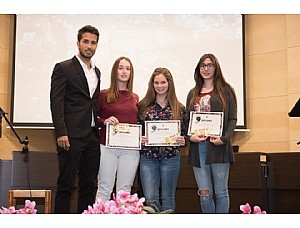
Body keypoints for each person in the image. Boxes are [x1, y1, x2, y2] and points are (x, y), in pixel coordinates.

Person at [50, 25, 101, 213]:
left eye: (93, 42)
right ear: (78, 43)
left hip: (92, 137)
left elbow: (92, 102)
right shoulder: (63, 68)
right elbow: (56, 102)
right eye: (85, 41)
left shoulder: (97, 72)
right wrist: (61, 132)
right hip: (70, 136)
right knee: (66, 184)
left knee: (88, 186)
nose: (89, 46)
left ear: (97, 45)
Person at [186, 53, 237, 213]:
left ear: (216, 68)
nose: (206, 68)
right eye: (203, 65)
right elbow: (187, 121)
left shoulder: (226, 91)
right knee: (205, 194)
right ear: (198, 68)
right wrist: (190, 137)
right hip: (198, 148)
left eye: (210, 65)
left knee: (221, 192)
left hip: (218, 147)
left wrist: (224, 138)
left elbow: (232, 118)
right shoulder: (192, 93)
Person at [138, 67, 187, 213]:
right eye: (156, 83)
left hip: (171, 157)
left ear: (169, 83)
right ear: (152, 84)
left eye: (163, 82)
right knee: (150, 199)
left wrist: (182, 140)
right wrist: (140, 139)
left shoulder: (179, 108)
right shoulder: (143, 106)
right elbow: (137, 131)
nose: (160, 86)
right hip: (148, 158)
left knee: (168, 198)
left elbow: (184, 134)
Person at [95, 56, 140, 202]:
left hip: (130, 149)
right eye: (120, 68)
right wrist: (105, 121)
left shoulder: (135, 97)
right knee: (104, 189)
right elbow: (93, 120)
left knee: (124, 192)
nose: (124, 71)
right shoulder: (103, 95)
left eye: (128, 68)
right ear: (115, 71)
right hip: (107, 147)